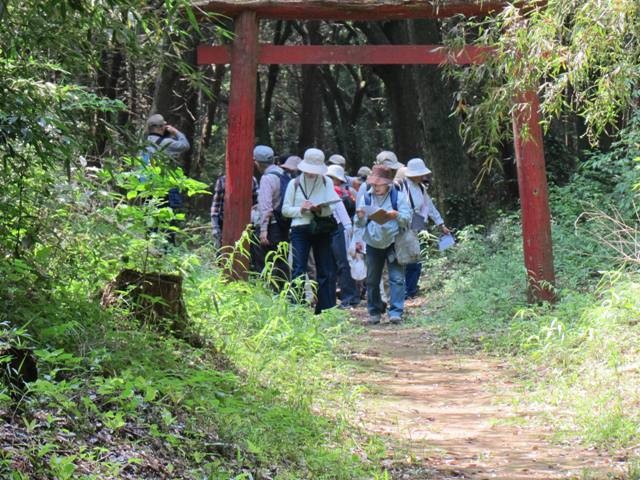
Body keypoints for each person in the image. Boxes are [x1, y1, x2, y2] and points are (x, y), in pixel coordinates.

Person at [282, 148, 340, 314]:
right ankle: (297, 308)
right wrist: (301, 209)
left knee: (325, 269)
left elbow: (332, 206)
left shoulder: (326, 182)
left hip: (321, 228)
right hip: (299, 228)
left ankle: (326, 310)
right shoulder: (294, 183)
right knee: (298, 269)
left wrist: (318, 210)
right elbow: (285, 210)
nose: (311, 174)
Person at [355, 165, 412, 324]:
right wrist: (360, 216)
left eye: (379, 184)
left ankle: (396, 312)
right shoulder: (366, 197)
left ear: (387, 183)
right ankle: (374, 312)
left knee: (397, 278)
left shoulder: (398, 197)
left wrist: (396, 215)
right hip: (372, 242)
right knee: (372, 280)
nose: (375, 187)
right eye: (373, 184)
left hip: (394, 241)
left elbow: (407, 218)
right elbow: (358, 223)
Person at [400, 158, 451, 299]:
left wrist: (441, 224)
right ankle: (405, 290)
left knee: (418, 256)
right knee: (407, 258)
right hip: (404, 223)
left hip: (418, 220)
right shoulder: (401, 186)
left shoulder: (421, 188)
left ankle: (411, 289)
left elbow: (429, 207)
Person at [144, 113, 190, 243]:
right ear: (161, 127)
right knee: (168, 222)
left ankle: (149, 248)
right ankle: (167, 250)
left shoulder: (144, 143)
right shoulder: (166, 143)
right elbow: (185, 145)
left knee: (150, 221)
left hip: (147, 187)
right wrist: (175, 132)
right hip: (165, 188)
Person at [254, 145, 291, 286]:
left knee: (266, 263)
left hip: (271, 226)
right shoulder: (283, 174)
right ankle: (285, 295)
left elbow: (266, 207)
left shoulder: (267, 179)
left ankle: (269, 294)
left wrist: (263, 230)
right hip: (284, 224)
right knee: (281, 262)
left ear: (257, 162)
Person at [327, 165, 360, 308]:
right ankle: (352, 296)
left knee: (342, 263)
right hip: (343, 228)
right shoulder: (346, 193)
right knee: (343, 263)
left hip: (340, 228)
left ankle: (348, 297)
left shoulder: (334, 192)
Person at [210, 172, 259, 247]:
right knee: (224, 252)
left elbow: (256, 204)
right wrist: (215, 227)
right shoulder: (222, 180)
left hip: (246, 225)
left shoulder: (252, 180)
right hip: (224, 224)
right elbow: (216, 205)